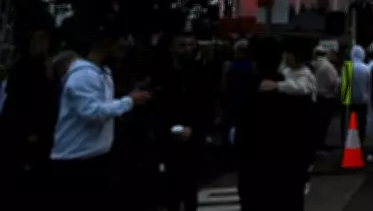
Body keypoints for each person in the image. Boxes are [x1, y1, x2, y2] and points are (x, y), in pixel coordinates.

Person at [49, 21, 151, 211]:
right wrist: (129, 102)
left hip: (96, 158)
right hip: (75, 163)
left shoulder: (103, 74)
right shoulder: (84, 75)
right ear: (107, 42)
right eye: (122, 40)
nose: (127, 45)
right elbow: (92, 112)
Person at [236, 36, 310, 211]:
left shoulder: (247, 91)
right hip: (289, 173)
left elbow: (242, 135)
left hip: (255, 173)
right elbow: (307, 133)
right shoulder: (294, 90)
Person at [152, 29, 215, 211]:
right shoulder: (162, 73)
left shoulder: (202, 73)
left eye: (190, 45)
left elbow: (208, 106)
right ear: (172, 48)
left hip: (193, 136)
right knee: (171, 184)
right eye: (182, 45)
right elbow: (158, 106)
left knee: (190, 185)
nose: (187, 49)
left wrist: (194, 128)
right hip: (167, 135)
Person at [0, 13, 57, 210]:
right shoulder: (26, 69)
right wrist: (28, 132)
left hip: (34, 135)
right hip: (25, 135)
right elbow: (19, 104)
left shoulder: (39, 67)